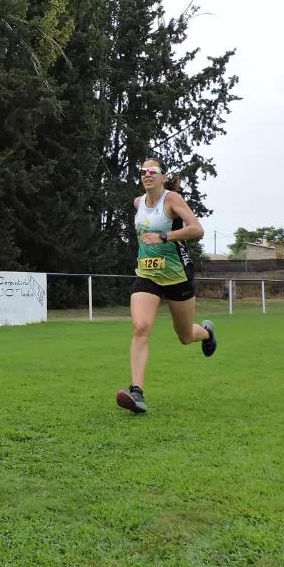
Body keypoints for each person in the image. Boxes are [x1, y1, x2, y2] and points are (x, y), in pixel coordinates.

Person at [116, 159, 217, 414]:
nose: (147, 174)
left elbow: (197, 229)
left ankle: (206, 333)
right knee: (140, 327)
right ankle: (136, 393)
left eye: (153, 171)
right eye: (143, 171)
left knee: (185, 336)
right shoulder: (138, 203)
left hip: (177, 276)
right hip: (147, 275)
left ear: (163, 177)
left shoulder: (172, 200)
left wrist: (164, 236)